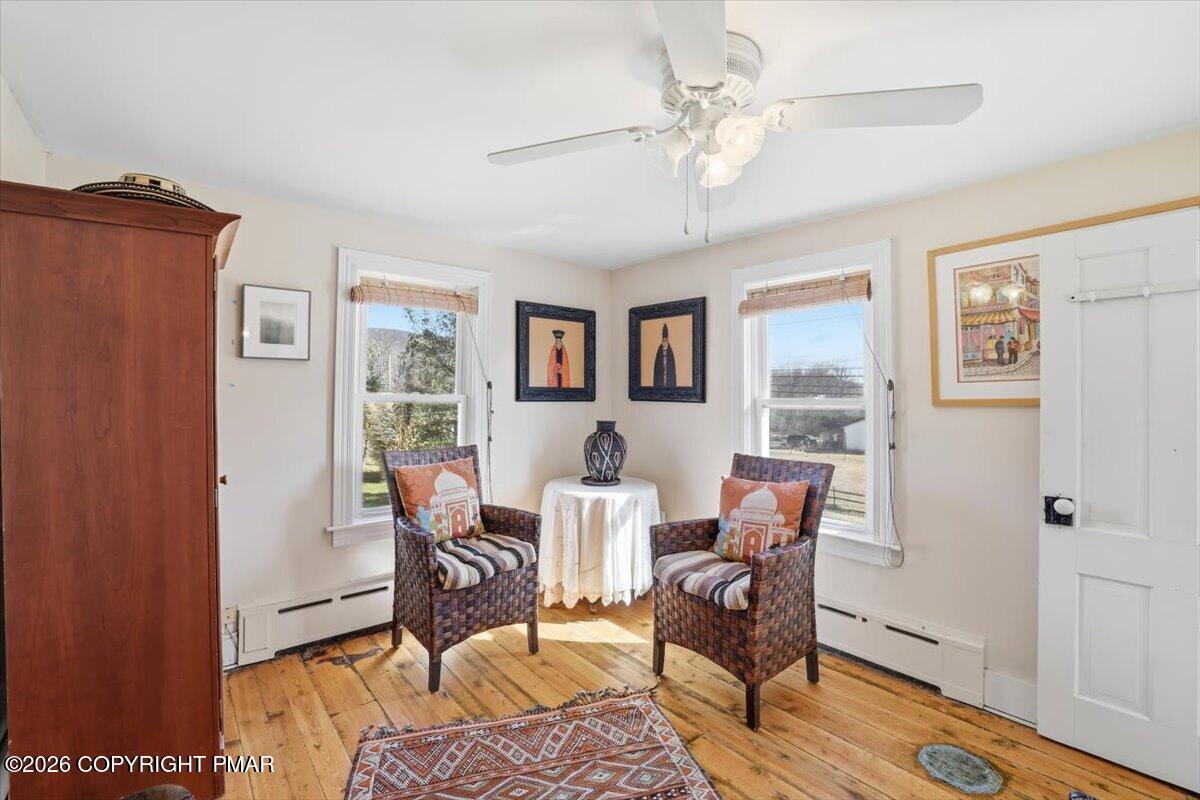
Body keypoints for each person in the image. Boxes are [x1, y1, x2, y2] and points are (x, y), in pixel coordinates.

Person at [652, 322, 677, 388]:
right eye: (663, 340)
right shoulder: (659, 352)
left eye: (666, 340)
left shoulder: (670, 353)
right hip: (661, 378)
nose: (665, 342)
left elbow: (672, 368)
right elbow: (657, 367)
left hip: (668, 378)